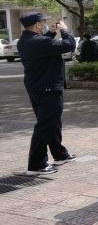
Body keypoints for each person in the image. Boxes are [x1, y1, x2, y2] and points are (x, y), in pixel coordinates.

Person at [17, 13, 77, 175]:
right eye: (43, 22)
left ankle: (59, 154)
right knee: (45, 125)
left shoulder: (25, 40)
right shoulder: (39, 42)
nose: (45, 23)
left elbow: (45, 48)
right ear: (37, 25)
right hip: (48, 87)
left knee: (51, 122)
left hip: (37, 87)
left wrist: (50, 33)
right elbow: (69, 45)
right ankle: (36, 165)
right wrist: (64, 30)